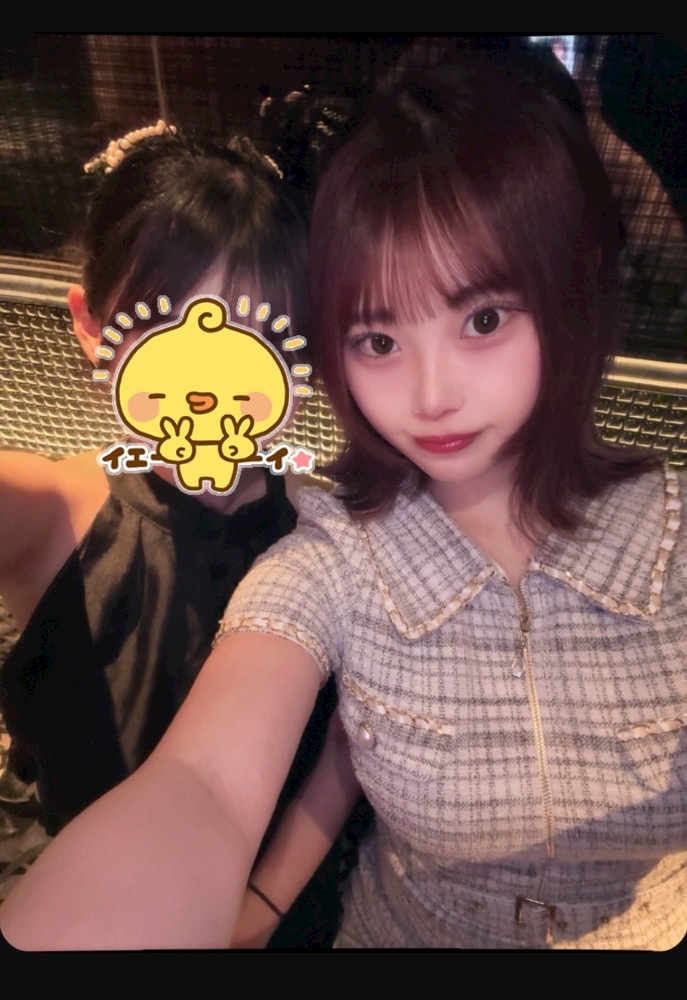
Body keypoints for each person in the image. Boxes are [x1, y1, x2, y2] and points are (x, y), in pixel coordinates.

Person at [2, 49, 686, 951]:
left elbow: (334, 758)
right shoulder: (327, 551)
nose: (432, 396)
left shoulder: (669, 533)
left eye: (482, 319)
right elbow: (205, 782)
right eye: (377, 339)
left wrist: (259, 907)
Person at [0, 123, 346, 943]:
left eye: (260, 341)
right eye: (170, 335)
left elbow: (349, 748)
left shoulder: (331, 526)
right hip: (93, 907)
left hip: (288, 909)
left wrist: (256, 911)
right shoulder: (51, 509)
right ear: (92, 327)